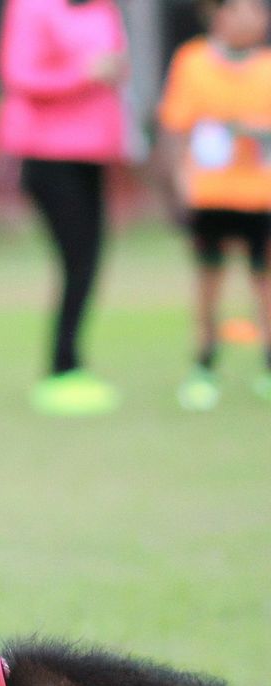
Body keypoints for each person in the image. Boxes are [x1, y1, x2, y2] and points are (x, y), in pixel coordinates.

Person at [0, 0, 129, 416]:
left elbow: (115, 66)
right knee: (75, 258)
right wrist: (82, 74)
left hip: (93, 151)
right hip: (47, 152)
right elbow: (18, 74)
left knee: (89, 260)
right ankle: (62, 365)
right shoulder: (30, 7)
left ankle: (70, 363)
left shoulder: (103, 8)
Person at [158, 0, 271, 411]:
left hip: (260, 195)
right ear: (219, 15)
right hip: (210, 194)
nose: (255, 19)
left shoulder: (266, 67)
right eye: (244, 9)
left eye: (260, 11)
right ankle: (204, 364)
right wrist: (175, 186)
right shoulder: (194, 62)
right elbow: (176, 128)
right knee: (209, 281)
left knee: (263, 280)